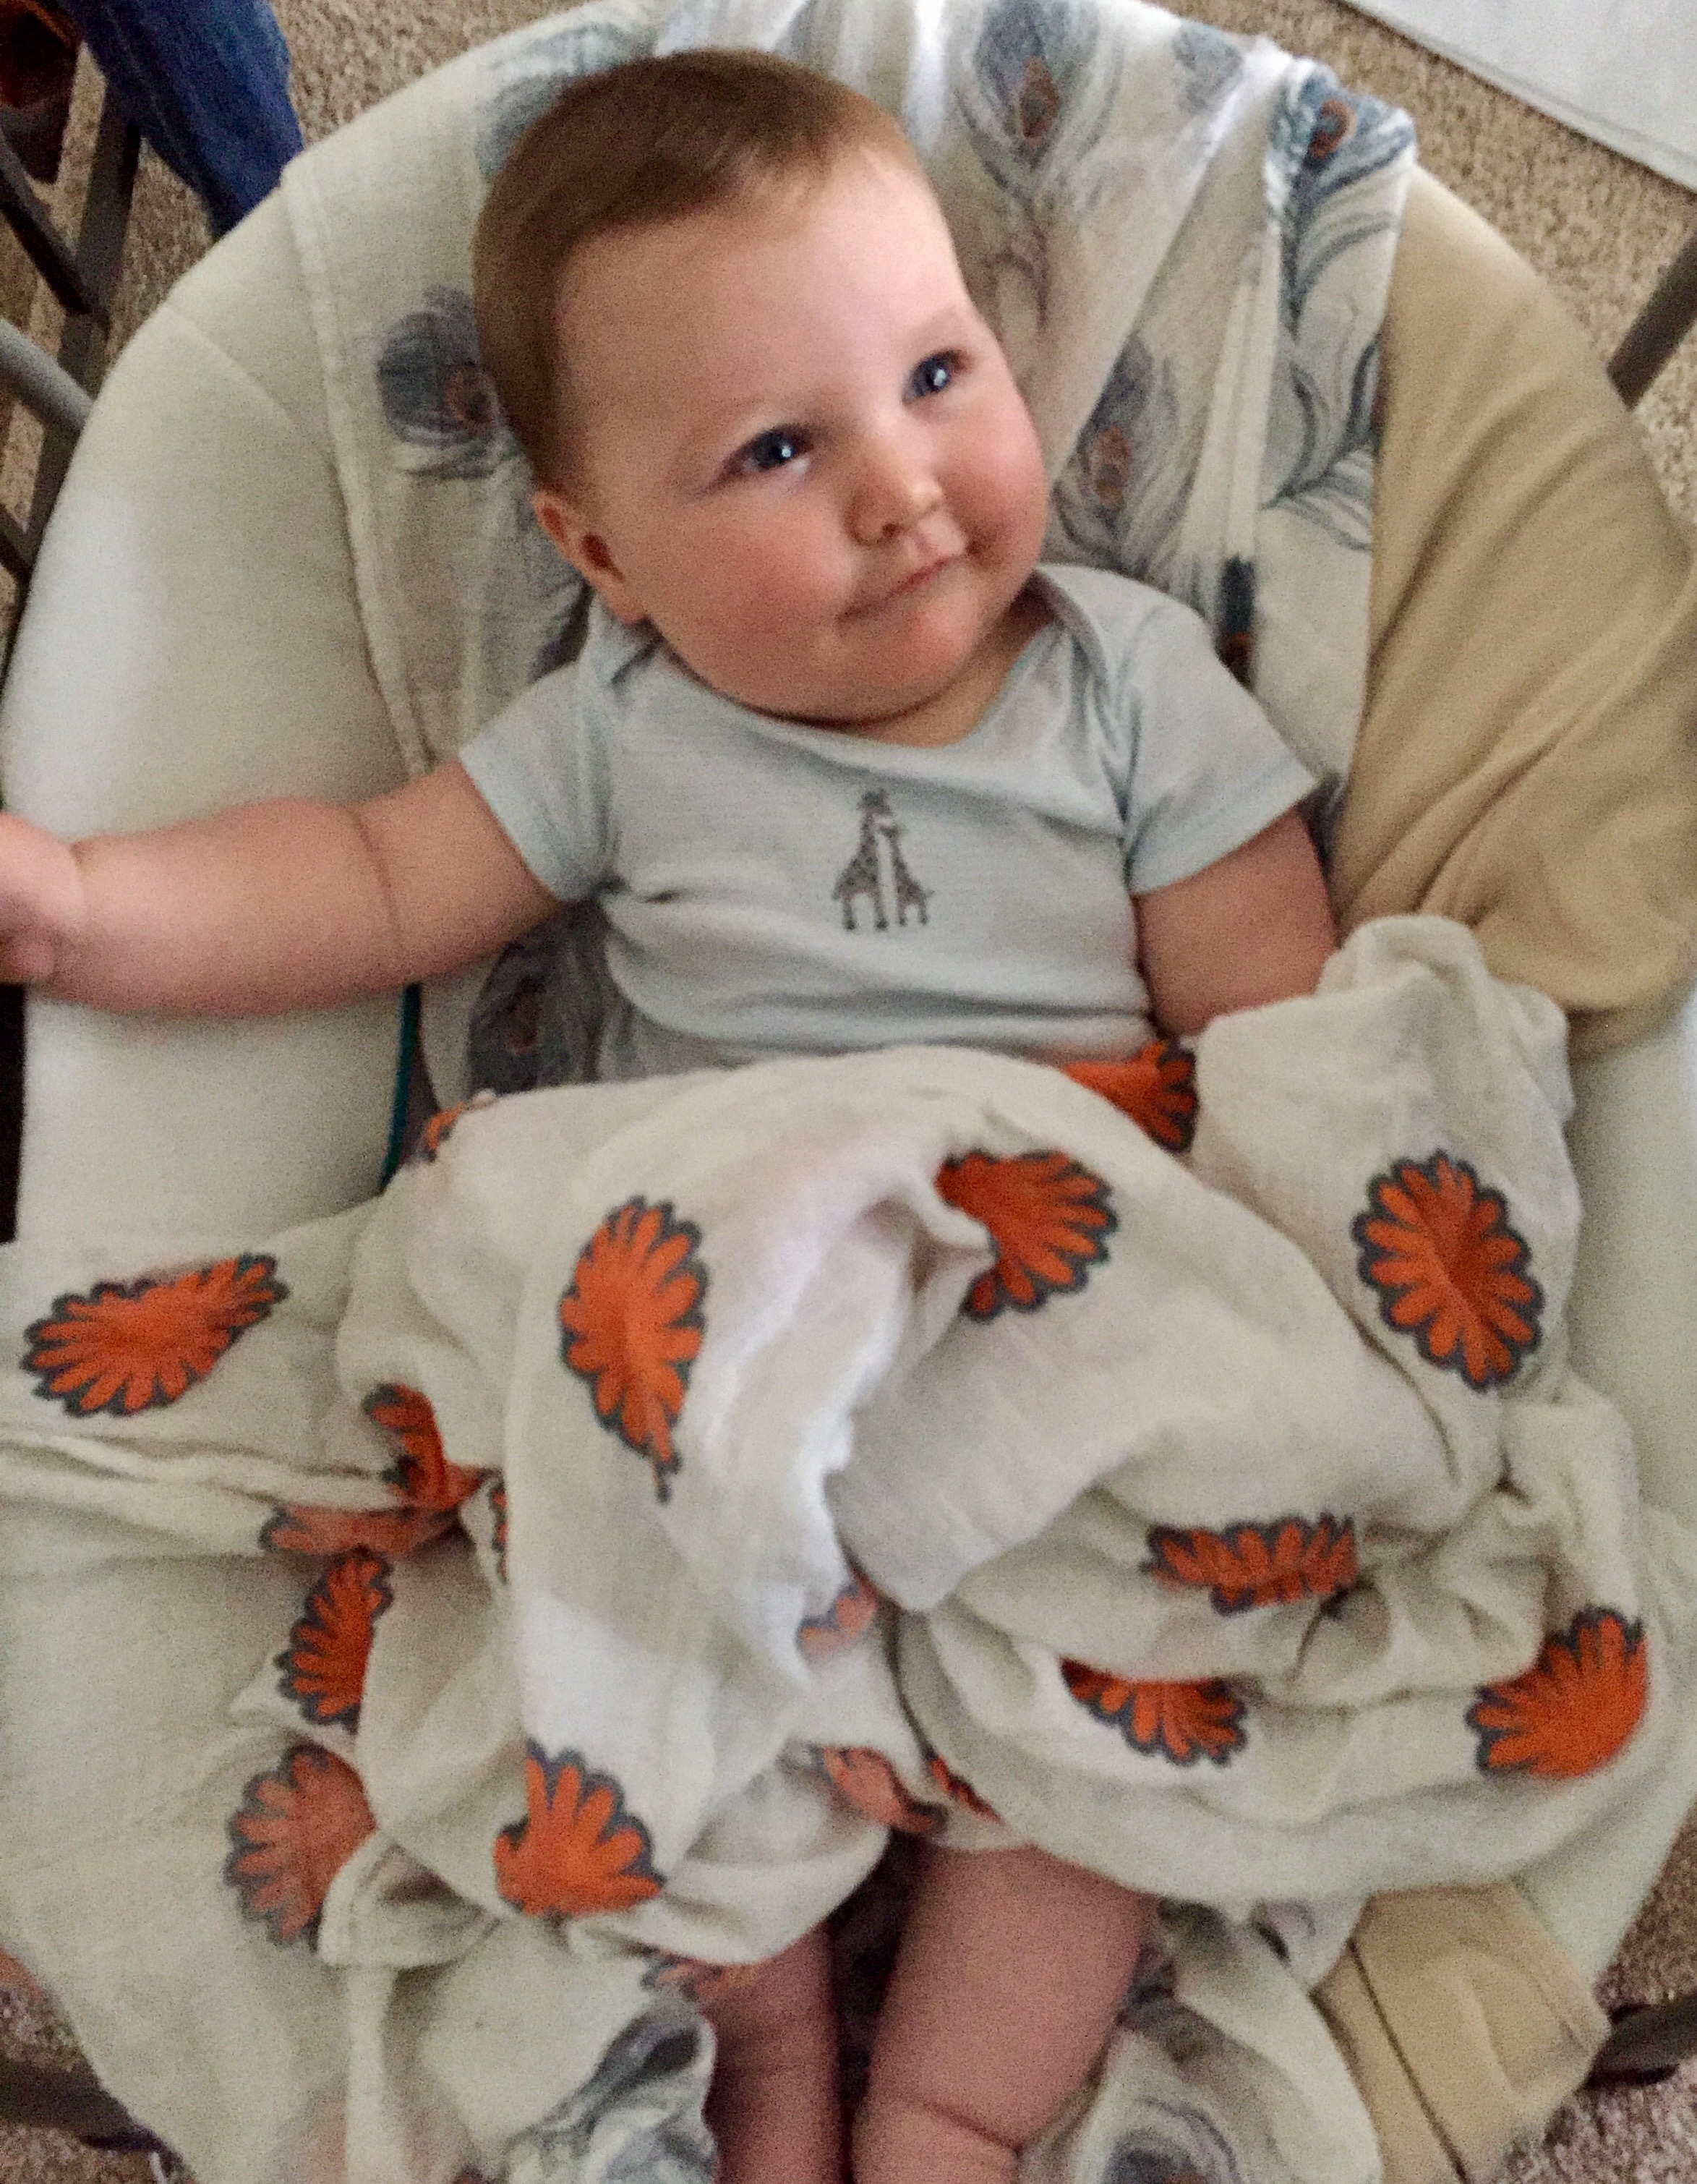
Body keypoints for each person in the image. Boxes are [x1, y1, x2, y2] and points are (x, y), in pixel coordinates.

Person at [0, 48, 1336, 2184]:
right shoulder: (627, 731)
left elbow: (1278, 1041)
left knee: (1115, 1737)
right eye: (780, 449)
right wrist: (84, 903)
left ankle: (954, 2115)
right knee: (640, 1671)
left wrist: (1292, 1298)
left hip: (1036, 1312)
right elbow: (371, 879)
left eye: (936, 374)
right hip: (729, 1363)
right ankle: (771, 2070)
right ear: (601, 553)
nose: (899, 486)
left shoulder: (1126, 682)